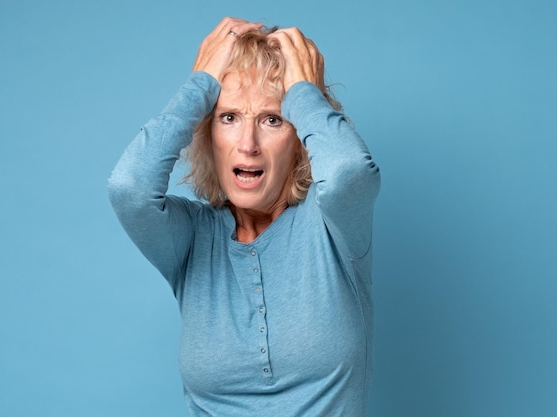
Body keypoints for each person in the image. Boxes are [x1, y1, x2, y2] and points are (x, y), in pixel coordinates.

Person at [108, 16, 380, 416]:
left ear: (300, 139)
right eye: (229, 117)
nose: (247, 144)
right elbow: (129, 188)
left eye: (272, 120)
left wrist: (304, 92)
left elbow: (347, 173)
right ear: (207, 132)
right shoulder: (190, 237)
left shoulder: (333, 223)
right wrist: (200, 84)